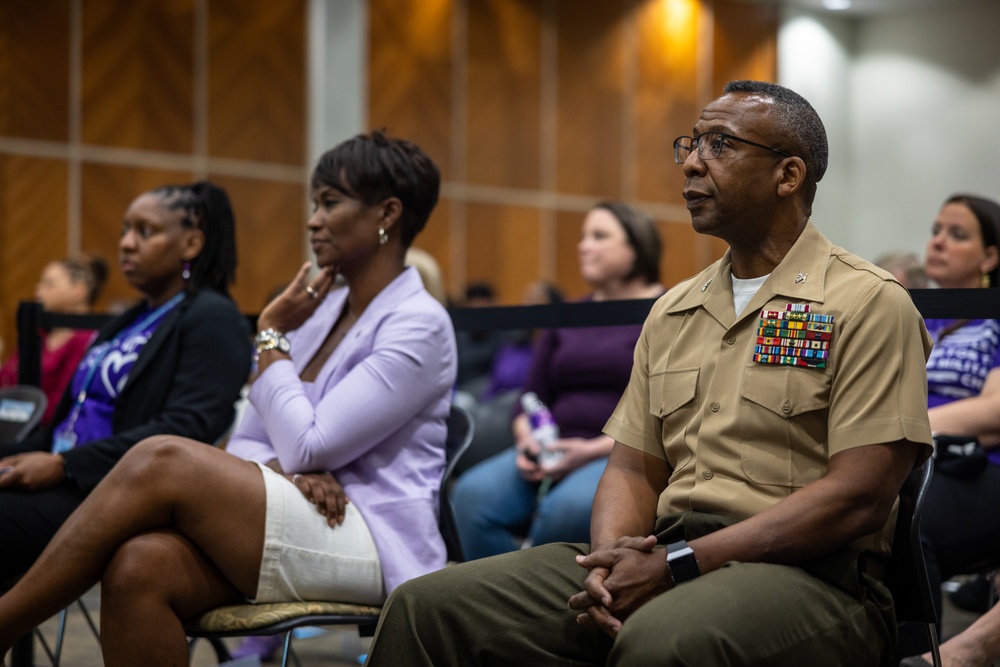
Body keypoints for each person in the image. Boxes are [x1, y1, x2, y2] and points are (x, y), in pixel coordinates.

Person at [363, 80, 934, 667]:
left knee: (664, 640)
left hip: (812, 576)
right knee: (425, 608)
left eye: (720, 145)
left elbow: (857, 498)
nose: (690, 162)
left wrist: (676, 567)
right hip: (666, 552)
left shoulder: (866, 302)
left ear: (788, 175)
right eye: (690, 143)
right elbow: (633, 464)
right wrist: (609, 568)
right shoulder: (675, 309)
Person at [0, 130, 456, 667]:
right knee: (137, 565)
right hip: (299, 510)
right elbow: (252, 436)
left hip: (370, 534)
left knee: (161, 456)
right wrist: (284, 467)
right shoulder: (319, 313)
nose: (312, 220)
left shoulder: (419, 323)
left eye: (329, 203)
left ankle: (5, 621)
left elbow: (310, 444)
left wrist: (268, 337)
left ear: (388, 214)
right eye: (314, 204)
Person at [0, 181, 250, 582]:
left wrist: (65, 465)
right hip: (69, 482)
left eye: (144, 232)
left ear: (190, 244)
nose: (127, 244)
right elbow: (67, 421)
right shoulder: (129, 320)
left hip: (115, 497)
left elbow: (186, 430)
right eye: (124, 231)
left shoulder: (213, 319)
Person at [452, 202, 663, 558]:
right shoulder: (567, 313)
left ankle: (538, 605)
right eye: (583, 236)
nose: (583, 245)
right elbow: (531, 394)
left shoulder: (665, 312)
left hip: (618, 454)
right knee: (471, 496)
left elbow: (664, 415)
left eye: (599, 236)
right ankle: (497, 605)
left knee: (567, 510)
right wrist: (526, 439)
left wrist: (589, 451)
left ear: (635, 249)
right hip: (549, 448)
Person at [906, 195, 1000, 642]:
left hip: (980, 468)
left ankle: (924, 657)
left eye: (957, 235)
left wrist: (906, 422)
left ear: (990, 256)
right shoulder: (913, 314)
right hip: (915, 457)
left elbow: (995, 412)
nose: (938, 242)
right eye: (936, 231)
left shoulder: (995, 321)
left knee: (907, 520)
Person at [0, 255, 108, 425]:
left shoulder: (86, 340)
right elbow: (6, 376)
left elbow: (63, 403)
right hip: (17, 421)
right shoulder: (39, 333)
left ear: (78, 291)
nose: (38, 289)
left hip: (48, 430)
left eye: (49, 284)